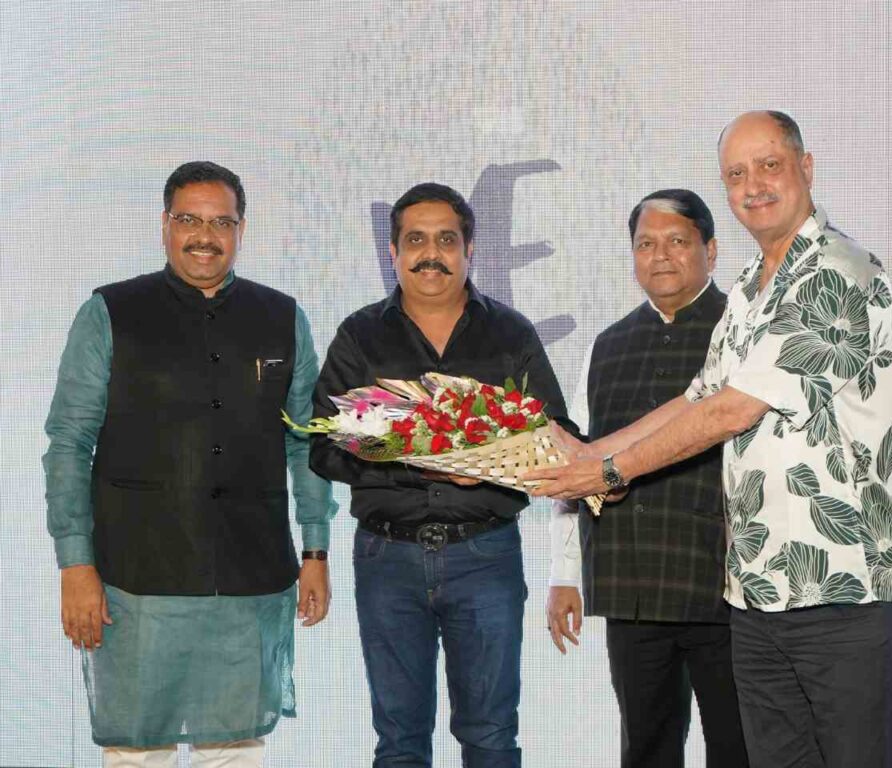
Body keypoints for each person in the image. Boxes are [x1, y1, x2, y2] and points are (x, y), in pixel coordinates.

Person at [527, 111, 892, 768]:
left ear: (806, 168)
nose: (753, 185)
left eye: (769, 165)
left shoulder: (838, 271)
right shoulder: (747, 289)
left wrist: (610, 472)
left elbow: (732, 410)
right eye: (736, 173)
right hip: (758, 595)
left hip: (846, 592)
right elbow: (697, 397)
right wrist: (591, 455)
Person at [44, 161, 337, 768]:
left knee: (233, 753)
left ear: (241, 230)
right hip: (135, 579)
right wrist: (76, 564)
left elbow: (305, 442)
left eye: (221, 222)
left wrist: (315, 551)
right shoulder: (110, 312)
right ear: (165, 225)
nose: (205, 236)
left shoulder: (281, 317)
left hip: (250, 575)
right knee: (136, 754)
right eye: (189, 220)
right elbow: (69, 442)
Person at [310, 182, 572, 768]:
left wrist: (492, 466)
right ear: (394, 251)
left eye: (446, 240)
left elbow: (558, 435)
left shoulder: (510, 333)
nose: (432, 254)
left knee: (491, 738)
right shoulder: (360, 335)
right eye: (416, 240)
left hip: (485, 556)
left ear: (469, 249)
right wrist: (408, 453)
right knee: (399, 742)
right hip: (387, 558)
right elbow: (321, 446)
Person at [546, 189, 747, 767]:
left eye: (677, 241)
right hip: (630, 581)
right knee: (645, 748)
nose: (660, 256)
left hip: (726, 586)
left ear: (711, 250)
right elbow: (580, 464)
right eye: (645, 244)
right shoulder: (607, 345)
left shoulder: (744, 331)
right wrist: (565, 574)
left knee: (739, 747)